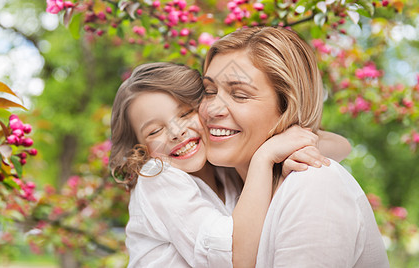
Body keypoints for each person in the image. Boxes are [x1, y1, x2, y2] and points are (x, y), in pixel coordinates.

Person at [109, 62, 341, 267]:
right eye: (155, 131)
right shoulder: (157, 176)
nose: (176, 133)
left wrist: (283, 146)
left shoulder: (223, 168)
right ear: (140, 150)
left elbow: (339, 147)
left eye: (185, 113)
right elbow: (231, 258)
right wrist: (265, 157)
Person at [200, 26, 389, 267]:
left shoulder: (312, 185)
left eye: (240, 95)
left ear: (287, 105)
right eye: (208, 91)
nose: (211, 110)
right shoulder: (224, 191)